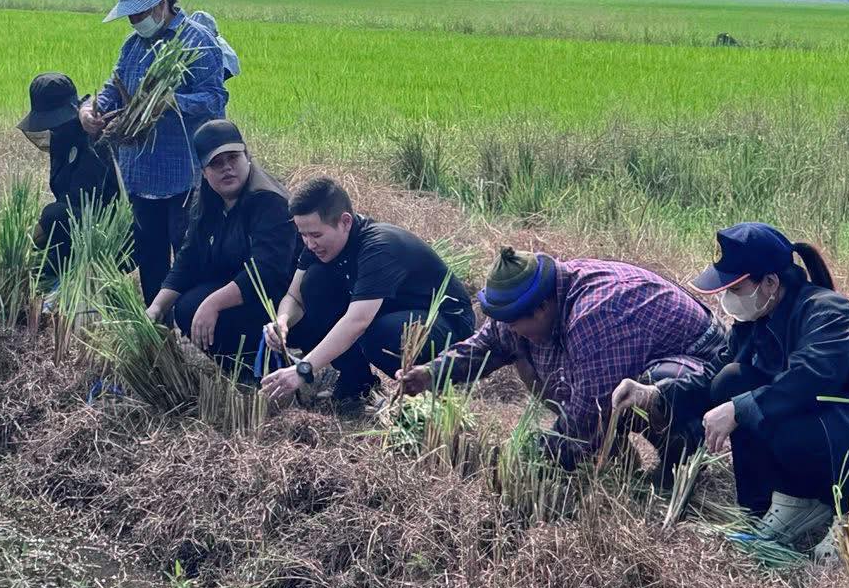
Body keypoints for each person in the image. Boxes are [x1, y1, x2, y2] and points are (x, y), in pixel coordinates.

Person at [692, 223, 849, 550]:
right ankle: (795, 500)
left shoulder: (828, 311)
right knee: (733, 382)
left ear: (770, 283)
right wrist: (658, 395)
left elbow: (811, 377)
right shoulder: (756, 321)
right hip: (832, 430)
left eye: (735, 289)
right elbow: (716, 373)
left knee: (759, 406)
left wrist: (740, 408)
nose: (727, 299)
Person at [397, 245, 728, 469]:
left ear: (542, 307)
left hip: (696, 369)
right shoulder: (537, 304)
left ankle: (680, 449)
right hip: (628, 360)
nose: (510, 329)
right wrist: (429, 374)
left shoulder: (596, 314)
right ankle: (611, 455)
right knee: (526, 358)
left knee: (640, 391)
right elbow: (486, 346)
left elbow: (591, 408)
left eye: (516, 323)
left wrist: (532, 455)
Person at [79, 0, 230, 303]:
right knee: (150, 261)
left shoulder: (197, 41)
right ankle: (158, 337)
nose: (136, 21)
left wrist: (172, 101)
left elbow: (216, 98)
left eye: (141, 13)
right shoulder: (132, 47)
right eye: (131, 16)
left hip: (184, 176)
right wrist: (91, 111)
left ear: (163, 2)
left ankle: (196, 330)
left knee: (189, 260)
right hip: (139, 175)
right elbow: (114, 88)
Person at [260, 177, 475, 407]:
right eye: (303, 235)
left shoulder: (379, 247)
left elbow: (357, 322)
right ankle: (357, 384)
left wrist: (303, 369)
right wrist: (281, 322)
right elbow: (295, 297)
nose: (309, 244)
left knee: (378, 335)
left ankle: (423, 395)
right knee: (314, 283)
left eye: (316, 235)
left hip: (446, 323)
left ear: (345, 222)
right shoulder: (317, 246)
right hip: (391, 312)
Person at [145, 120, 298, 366]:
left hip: (279, 299)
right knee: (185, 307)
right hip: (236, 285)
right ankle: (236, 367)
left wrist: (213, 303)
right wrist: (157, 307)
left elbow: (267, 272)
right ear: (204, 172)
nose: (227, 168)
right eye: (216, 163)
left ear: (247, 156)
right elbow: (189, 258)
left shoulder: (268, 200)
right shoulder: (207, 199)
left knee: (198, 307)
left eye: (233, 158)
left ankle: (261, 366)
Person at [17, 71, 123, 280]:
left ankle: (79, 273)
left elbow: (85, 202)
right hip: (78, 225)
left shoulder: (98, 138)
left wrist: (36, 235)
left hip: (109, 234)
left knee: (53, 214)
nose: (54, 127)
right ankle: (60, 269)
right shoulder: (61, 137)